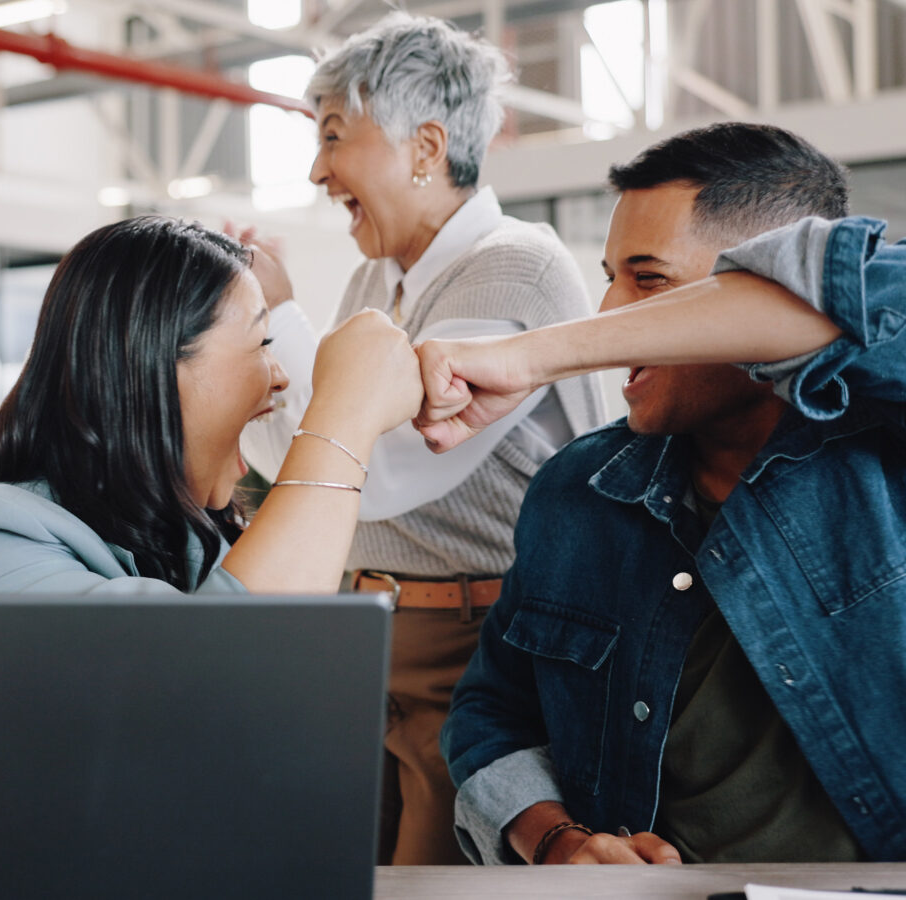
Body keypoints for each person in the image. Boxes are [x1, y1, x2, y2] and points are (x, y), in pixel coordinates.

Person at [425, 124, 906, 864]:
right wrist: (557, 842)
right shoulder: (577, 490)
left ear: (763, 291)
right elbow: (491, 714)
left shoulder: (885, 451)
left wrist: (529, 357)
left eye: (649, 281)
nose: (610, 312)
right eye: (611, 275)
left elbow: (878, 296)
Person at [237, 12, 606, 865]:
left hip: (469, 652)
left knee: (427, 882)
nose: (317, 168)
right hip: (369, 631)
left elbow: (377, 472)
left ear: (426, 147)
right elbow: (300, 455)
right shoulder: (379, 278)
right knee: (340, 870)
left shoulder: (519, 267)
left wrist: (283, 317)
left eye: (333, 136)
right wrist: (260, 350)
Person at [0, 216, 421, 596]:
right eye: (262, 343)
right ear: (150, 365)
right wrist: (342, 418)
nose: (281, 376)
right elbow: (220, 675)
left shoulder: (192, 544)